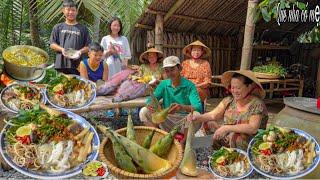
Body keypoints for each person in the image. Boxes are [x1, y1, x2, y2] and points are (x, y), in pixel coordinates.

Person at [188, 70, 268, 150]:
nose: (234, 91)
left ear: (249, 87)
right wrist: (196, 118)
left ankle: (233, 155)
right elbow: (213, 115)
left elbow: (252, 128)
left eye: (238, 88)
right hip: (228, 137)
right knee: (208, 123)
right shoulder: (229, 100)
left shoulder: (257, 104)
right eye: (232, 87)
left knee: (236, 138)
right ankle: (200, 145)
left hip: (248, 142)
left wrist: (226, 128)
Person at [139, 56, 203, 141]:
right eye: (167, 71)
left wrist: (182, 107)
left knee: (196, 115)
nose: (170, 73)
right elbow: (152, 98)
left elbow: (198, 107)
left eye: (172, 69)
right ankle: (158, 137)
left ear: (179, 68)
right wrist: (149, 104)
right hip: (167, 119)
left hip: (184, 121)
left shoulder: (190, 86)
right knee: (144, 111)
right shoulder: (164, 84)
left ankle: (184, 143)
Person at [50, 0, 91, 75]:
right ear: (63, 11)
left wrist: (79, 52)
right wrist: (62, 49)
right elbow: (52, 44)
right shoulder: (58, 27)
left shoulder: (83, 28)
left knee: (78, 86)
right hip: (61, 64)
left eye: (73, 10)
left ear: (77, 12)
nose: (71, 12)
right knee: (60, 85)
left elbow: (88, 46)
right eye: (68, 10)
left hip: (78, 66)